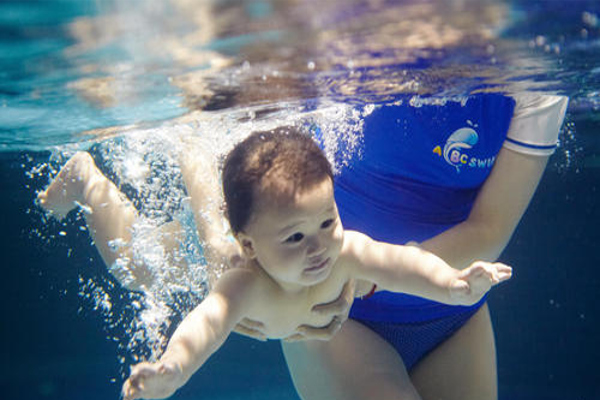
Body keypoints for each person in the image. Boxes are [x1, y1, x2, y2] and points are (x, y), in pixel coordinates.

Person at [38, 127, 511, 400]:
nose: (319, 249)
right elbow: (205, 326)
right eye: (298, 239)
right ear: (248, 246)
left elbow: (403, 263)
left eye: (329, 223)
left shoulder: (342, 250)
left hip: (268, 202)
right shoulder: (246, 283)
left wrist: (453, 283)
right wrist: (172, 369)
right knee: (144, 269)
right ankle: (87, 180)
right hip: (226, 208)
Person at [280, 92, 569, 400]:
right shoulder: (340, 57)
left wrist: (374, 277)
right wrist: (234, 259)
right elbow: (247, 167)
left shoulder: (535, 87)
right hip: (339, 311)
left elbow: (490, 229)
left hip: (454, 315)